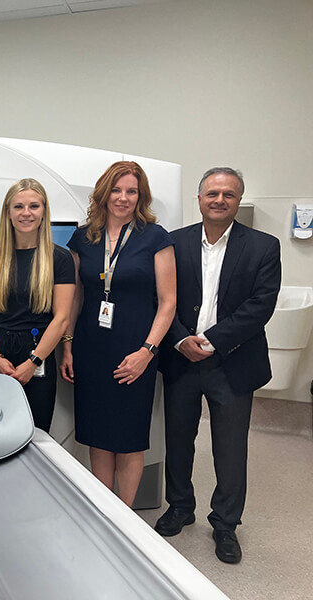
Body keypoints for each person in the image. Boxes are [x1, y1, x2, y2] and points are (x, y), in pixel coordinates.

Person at [155, 167, 281, 564]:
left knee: (229, 449)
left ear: (238, 200)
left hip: (233, 361)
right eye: (212, 193)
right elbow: (160, 299)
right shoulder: (173, 243)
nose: (219, 200)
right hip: (181, 357)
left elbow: (261, 305)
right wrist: (179, 338)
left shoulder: (263, 246)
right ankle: (180, 506)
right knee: (178, 439)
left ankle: (225, 524)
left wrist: (213, 341)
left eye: (228, 194)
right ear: (199, 199)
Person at [60, 161, 176, 507]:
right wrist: (68, 346)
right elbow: (76, 296)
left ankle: (125, 519)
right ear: (104, 192)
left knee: (128, 438)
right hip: (91, 347)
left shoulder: (155, 237)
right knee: (98, 435)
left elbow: (168, 303)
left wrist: (147, 352)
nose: (123, 198)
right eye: (116, 189)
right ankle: (104, 512)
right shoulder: (83, 237)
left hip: (135, 348)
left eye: (131, 191)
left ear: (141, 197)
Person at [0, 178, 75, 432]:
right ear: (8, 213)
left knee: (35, 433)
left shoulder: (59, 258)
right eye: (19, 207)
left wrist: (34, 362)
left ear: (44, 211)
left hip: (38, 352)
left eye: (34, 206)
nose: (26, 213)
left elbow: (61, 318)